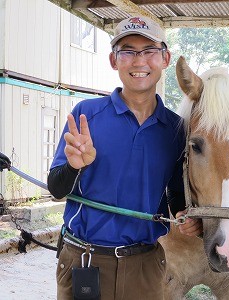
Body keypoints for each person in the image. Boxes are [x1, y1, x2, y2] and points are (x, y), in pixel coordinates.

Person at [47, 15, 201, 300]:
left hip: (145, 266)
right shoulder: (86, 115)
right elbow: (56, 189)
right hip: (85, 261)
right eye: (127, 51)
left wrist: (186, 216)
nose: (139, 61)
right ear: (113, 60)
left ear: (165, 58)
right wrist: (74, 166)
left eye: (149, 51)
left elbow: (176, 195)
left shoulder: (176, 130)